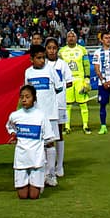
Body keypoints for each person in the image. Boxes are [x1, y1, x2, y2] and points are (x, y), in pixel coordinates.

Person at [23, 45, 60, 187]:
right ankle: (39, 173)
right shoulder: (28, 73)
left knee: (50, 143)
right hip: (34, 115)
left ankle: (51, 174)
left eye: (43, 57)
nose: (42, 61)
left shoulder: (50, 70)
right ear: (31, 59)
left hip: (50, 114)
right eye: (38, 58)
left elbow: (58, 87)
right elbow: (26, 92)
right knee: (36, 144)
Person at [7, 84, 48, 200]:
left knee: (34, 196)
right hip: (21, 159)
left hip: (37, 159)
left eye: (27, 97)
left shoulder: (41, 116)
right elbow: (10, 127)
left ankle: (38, 181)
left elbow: (49, 137)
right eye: (22, 97)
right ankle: (28, 181)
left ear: (34, 98)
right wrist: (14, 135)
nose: (24, 99)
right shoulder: (15, 116)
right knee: (23, 196)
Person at [44, 39, 72, 181]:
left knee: (59, 133)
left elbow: (69, 81)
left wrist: (57, 88)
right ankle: (46, 166)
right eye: (49, 48)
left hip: (59, 103)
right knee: (46, 135)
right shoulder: (42, 64)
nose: (51, 50)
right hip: (45, 105)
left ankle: (59, 165)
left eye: (54, 48)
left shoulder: (62, 64)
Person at [58, 30, 90, 133]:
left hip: (80, 80)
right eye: (69, 36)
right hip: (67, 80)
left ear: (76, 38)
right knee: (68, 104)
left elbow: (86, 64)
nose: (71, 38)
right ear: (66, 39)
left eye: (73, 36)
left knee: (83, 104)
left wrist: (87, 78)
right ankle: (67, 126)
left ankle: (85, 126)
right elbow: (58, 67)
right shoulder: (61, 51)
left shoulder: (82, 50)